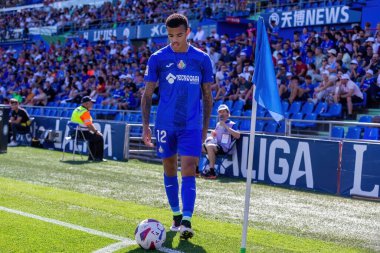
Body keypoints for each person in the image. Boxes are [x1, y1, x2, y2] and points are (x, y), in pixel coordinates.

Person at [141, 13, 213, 240]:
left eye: (179, 35)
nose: (175, 40)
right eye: (171, 35)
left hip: (190, 125)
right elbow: (147, 94)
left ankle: (187, 221)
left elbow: (208, 96)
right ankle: (176, 214)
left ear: (188, 32)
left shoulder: (202, 59)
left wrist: (204, 128)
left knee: (190, 168)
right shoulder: (157, 58)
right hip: (164, 124)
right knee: (170, 169)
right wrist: (145, 126)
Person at [201, 104, 240, 179]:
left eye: (223, 111)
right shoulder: (218, 124)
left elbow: (238, 135)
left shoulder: (232, 124)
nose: (221, 113)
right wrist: (212, 136)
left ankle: (212, 171)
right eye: (220, 112)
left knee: (210, 146)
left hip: (224, 148)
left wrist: (225, 126)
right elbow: (216, 136)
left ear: (228, 113)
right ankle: (196, 169)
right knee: (199, 146)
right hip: (216, 145)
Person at [70, 96, 105, 162]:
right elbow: (89, 125)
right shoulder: (84, 112)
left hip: (74, 133)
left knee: (93, 138)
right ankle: (98, 158)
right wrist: (96, 131)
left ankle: (91, 157)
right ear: (86, 104)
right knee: (99, 137)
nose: (92, 104)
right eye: (91, 103)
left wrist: (93, 132)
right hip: (81, 133)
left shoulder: (77, 109)